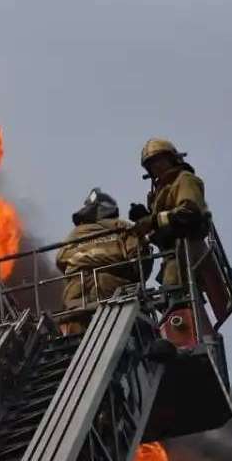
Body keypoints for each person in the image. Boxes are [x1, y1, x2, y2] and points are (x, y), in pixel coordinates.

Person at [129, 139, 209, 352]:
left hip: (186, 249)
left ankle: (183, 335)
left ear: (172, 159)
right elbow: (162, 228)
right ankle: (175, 332)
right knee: (170, 293)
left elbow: (189, 212)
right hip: (171, 254)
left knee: (176, 292)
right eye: (151, 164)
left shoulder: (185, 180)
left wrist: (152, 220)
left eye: (160, 160)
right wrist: (145, 217)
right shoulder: (160, 191)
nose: (156, 166)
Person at [55, 188, 149, 335]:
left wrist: (83, 261)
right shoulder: (123, 227)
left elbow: (61, 260)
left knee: (74, 338)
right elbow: (139, 260)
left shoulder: (76, 233)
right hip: (113, 293)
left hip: (77, 295)